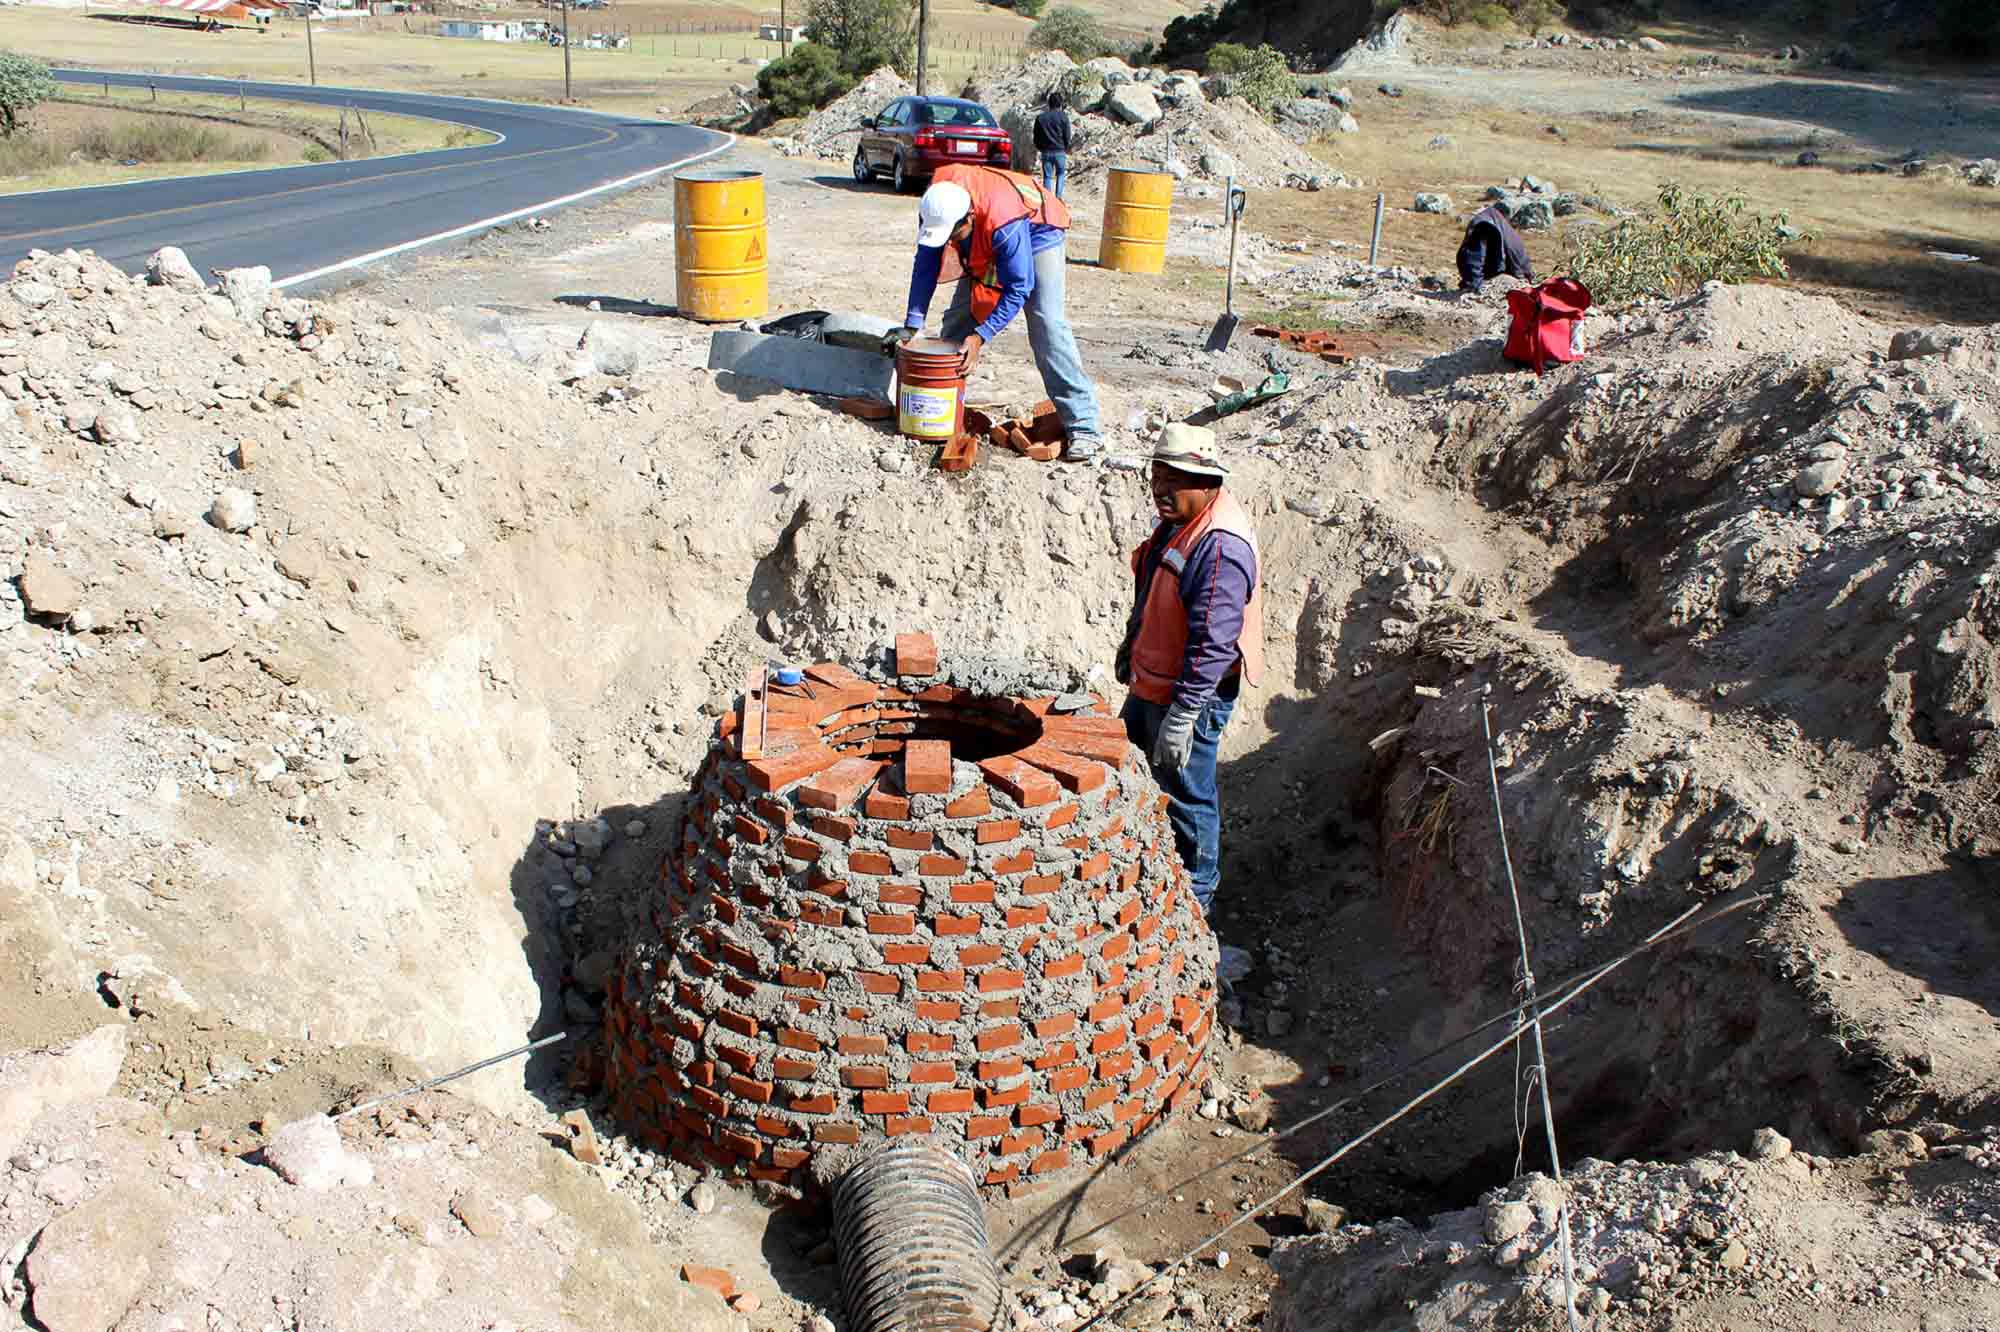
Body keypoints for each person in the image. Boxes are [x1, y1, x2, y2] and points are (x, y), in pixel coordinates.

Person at [1116, 424, 1263, 914]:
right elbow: (1155, 588)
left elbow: (1215, 643)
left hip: (1189, 696)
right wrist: (1131, 645)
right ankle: (1143, 861)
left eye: (1174, 479)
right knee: (1132, 771)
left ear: (1207, 483)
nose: (1161, 489)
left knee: (1187, 796)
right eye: (1157, 475)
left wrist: (1183, 717)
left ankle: (1197, 899)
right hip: (1152, 684)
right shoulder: (1178, 523)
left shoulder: (1220, 547)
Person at [885, 163, 1104, 462]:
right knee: (957, 324)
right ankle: (942, 412)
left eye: (954, 235)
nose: (949, 242)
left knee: (1046, 325)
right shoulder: (938, 202)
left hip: (1038, 228)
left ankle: (1084, 427)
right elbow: (925, 263)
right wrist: (912, 324)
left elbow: (1019, 287)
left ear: (970, 218)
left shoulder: (1003, 221)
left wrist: (981, 336)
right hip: (985, 234)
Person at [1456, 202, 1536, 295]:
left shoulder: (1482, 224)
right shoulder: (1497, 220)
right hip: (1522, 273)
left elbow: (1473, 258)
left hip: (1511, 276)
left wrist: (1472, 285)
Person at [1033, 90, 1072, 201]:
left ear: (1049, 104)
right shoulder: (1063, 117)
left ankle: (1048, 199)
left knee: (1047, 176)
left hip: (1046, 151)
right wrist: (1066, 147)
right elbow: (1067, 135)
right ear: (1060, 104)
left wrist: (1040, 148)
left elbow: (1036, 136)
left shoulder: (1040, 118)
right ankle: (1058, 198)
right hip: (1060, 151)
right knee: (1060, 174)